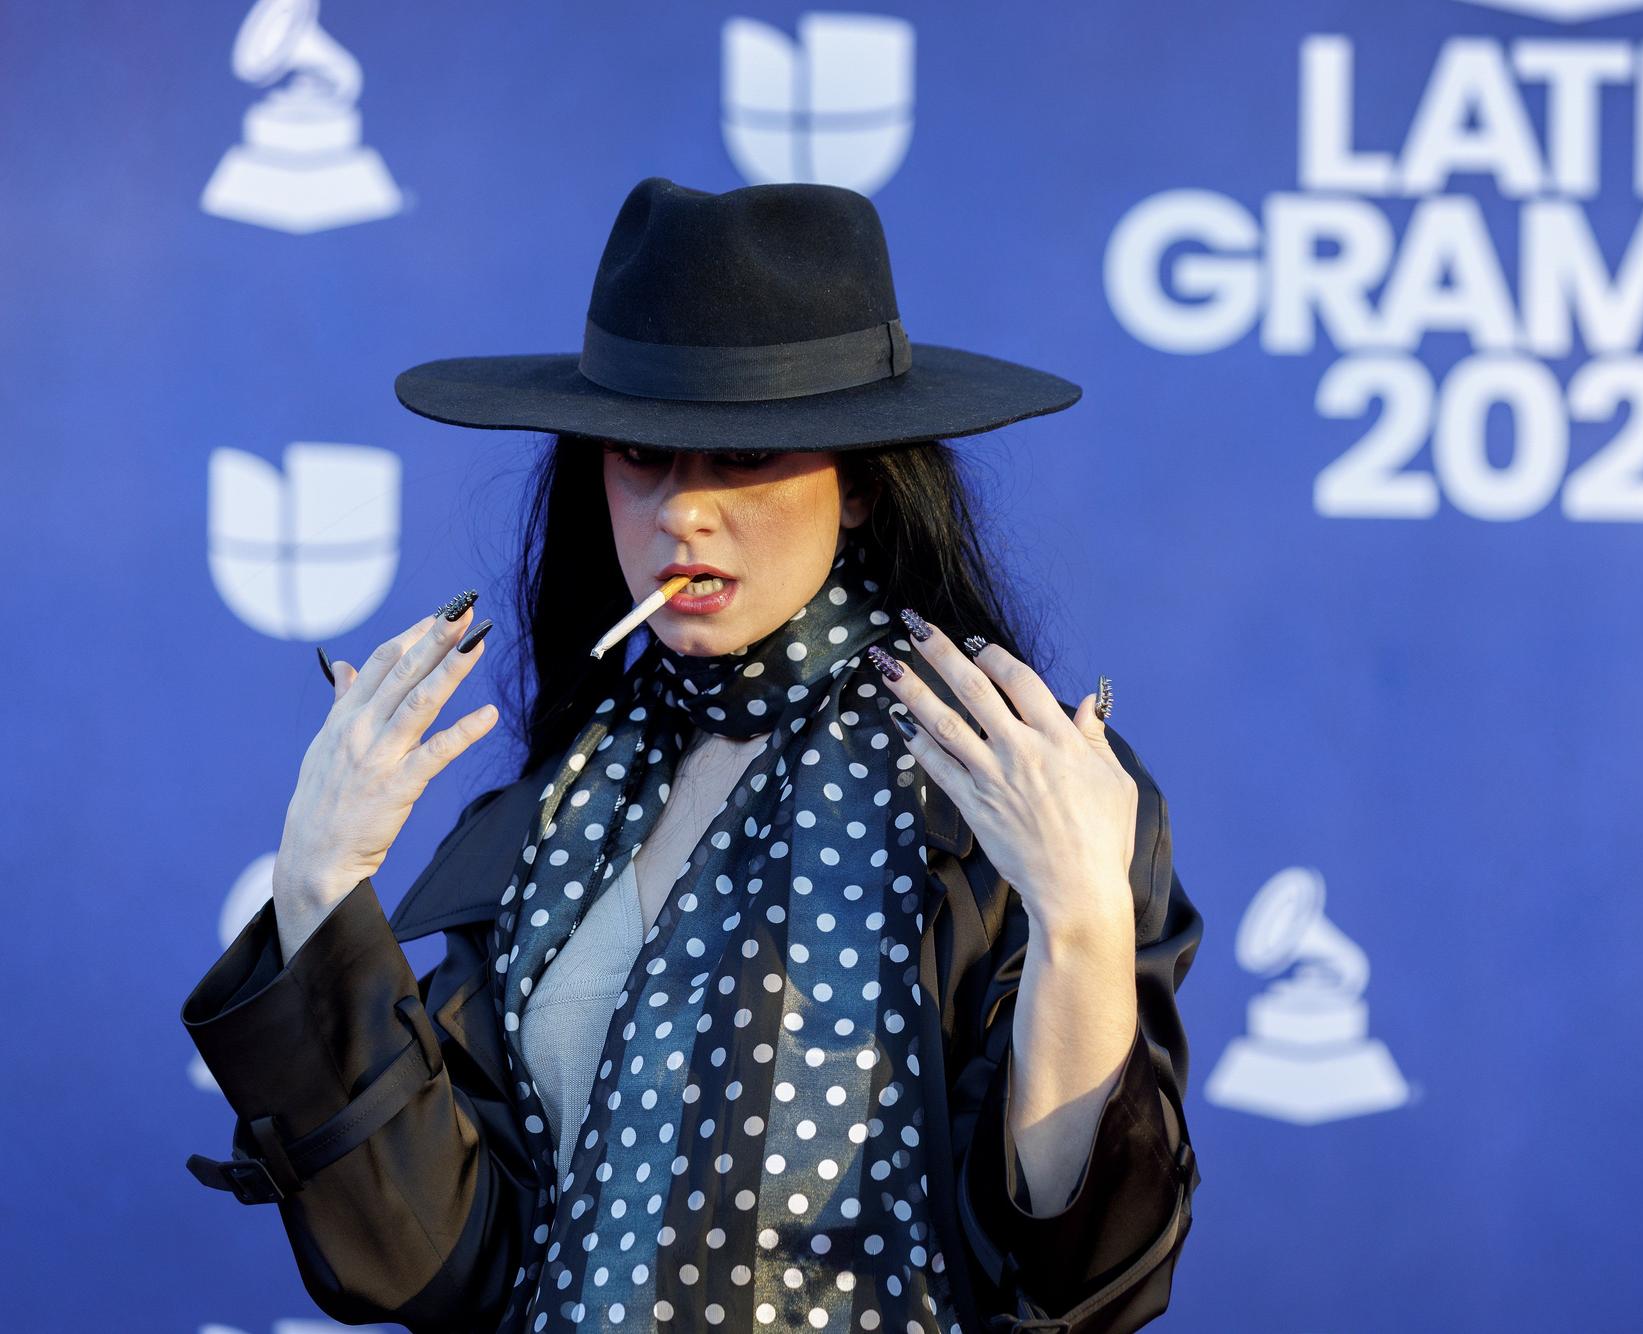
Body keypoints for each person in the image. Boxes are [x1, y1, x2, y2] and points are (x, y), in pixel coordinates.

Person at [181, 176, 1202, 1334]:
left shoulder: (1001, 786)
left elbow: (1085, 1273)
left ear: (860, 480)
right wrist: (319, 895)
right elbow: (443, 1267)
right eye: (641, 453)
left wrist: (1079, 922)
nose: (683, 511)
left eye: (741, 454)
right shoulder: (547, 813)